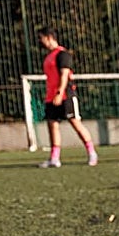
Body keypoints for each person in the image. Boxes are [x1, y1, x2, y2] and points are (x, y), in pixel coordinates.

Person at [37, 27, 98, 167]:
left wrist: (59, 92)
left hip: (66, 96)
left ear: (49, 37)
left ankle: (92, 153)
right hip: (51, 97)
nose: (40, 42)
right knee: (52, 125)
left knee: (76, 124)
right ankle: (54, 158)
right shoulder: (49, 57)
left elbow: (64, 75)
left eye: (41, 38)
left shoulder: (62, 54)